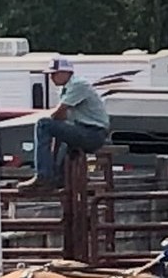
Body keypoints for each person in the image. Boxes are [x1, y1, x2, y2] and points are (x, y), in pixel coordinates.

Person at [15, 57, 110, 192]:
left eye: (54, 74)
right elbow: (61, 117)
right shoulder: (66, 89)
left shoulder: (78, 84)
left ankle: (44, 175)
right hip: (85, 130)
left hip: (93, 133)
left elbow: (59, 112)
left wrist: (48, 120)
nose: (51, 78)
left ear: (66, 72)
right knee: (58, 135)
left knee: (43, 125)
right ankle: (59, 179)